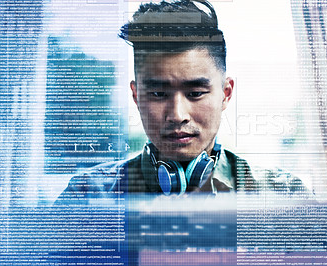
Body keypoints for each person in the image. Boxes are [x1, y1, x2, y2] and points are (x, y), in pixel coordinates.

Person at [56, 0, 307, 203]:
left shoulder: (283, 197)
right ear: (136, 96)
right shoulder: (87, 196)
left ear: (226, 93)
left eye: (195, 93)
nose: (177, 115)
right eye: (157, 94)